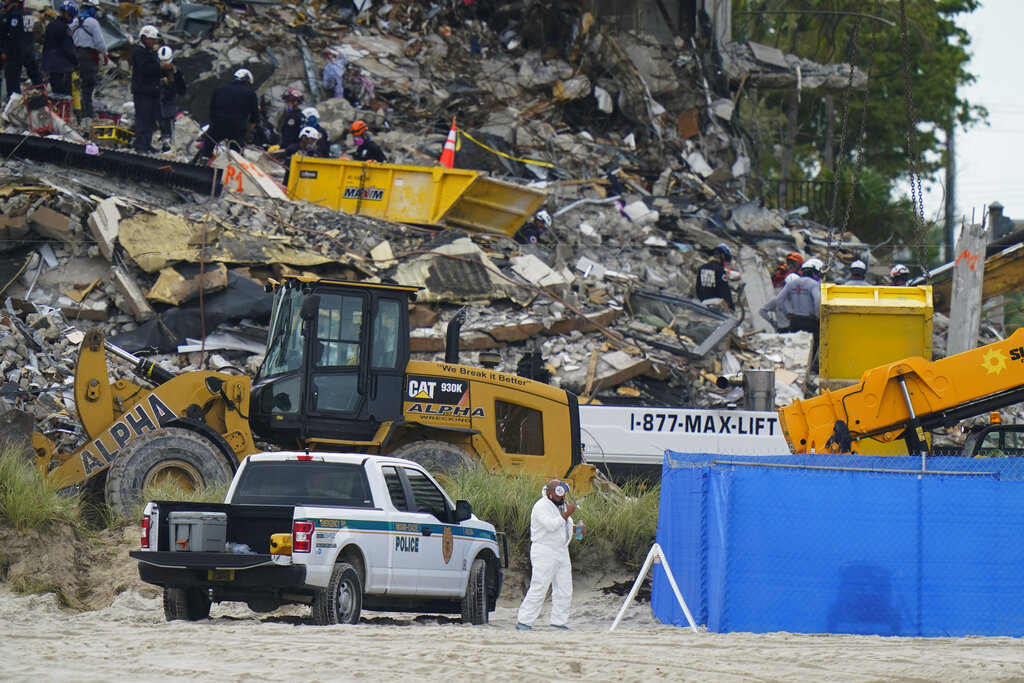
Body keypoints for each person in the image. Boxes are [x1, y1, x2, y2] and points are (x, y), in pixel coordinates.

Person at [516, 479, 582, 631]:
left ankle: (559, 622)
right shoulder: (541, 506)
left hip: (562, 550)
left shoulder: (561, 506)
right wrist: (567, 513)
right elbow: (551, 525)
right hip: (545, 550)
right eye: (559, 494)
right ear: (549, 493)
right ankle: (524, 621)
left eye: (564, 494)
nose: (563, 497)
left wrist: (577, 529)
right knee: (540, 586)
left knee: (564, 589)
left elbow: (564, 526)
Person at [763, 257, 823, 365]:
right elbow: (818, 301)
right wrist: (818, 315)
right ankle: (810, 366)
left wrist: (787, 313)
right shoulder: (813, 284)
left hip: (795, 320)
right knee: (813, 344)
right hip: (810, 320)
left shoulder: (792, 283)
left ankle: (796, 364)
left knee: (796, 345)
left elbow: (780, 299)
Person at [195, 68, 260, 163]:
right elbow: (254, 118)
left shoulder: (219, 90)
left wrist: (214, 123)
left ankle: (203, 162)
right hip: (236, 127)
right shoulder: (250, 94)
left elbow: (212, 111)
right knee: (235, 154)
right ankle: (231, 170)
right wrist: (248, 132)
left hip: (218, 124)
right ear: (246, 80)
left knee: (208, 146)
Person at [70, 0, 106, 121]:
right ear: (91, 9)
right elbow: (100, 43)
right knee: (87, 87)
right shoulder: (93, 23)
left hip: (74, 56)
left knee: (75, 86)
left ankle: (76, 114)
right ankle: (87, 116)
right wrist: (104, 54)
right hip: (88, 57)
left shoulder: (73, 22)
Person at [0, 0, 43, 99]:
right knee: (37, 79)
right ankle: (44, 98)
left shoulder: (13, 15)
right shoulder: (27, 14)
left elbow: (12, 36)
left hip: (15, 53)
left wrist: (6, 52)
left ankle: (13, 105)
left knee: (13, 85)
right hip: (29, 51)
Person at [131, 24, 161, 153]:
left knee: (150, 119)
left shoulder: (149, 52)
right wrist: (161, 67)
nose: (153, 42)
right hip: (142, 90)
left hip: (151, 90)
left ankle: (147, 144)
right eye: (151, 39)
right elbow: (146, 68)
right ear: (143, 38)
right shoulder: (139, 51)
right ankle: (140, 145)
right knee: (142, 118)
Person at [40, 0, 78, 99]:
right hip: (62, 68)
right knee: (64, 97)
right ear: (67, 14)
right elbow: (68, 49)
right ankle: (63, 114)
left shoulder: (51, 25)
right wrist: (76, 61)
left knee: (55, 95)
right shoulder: (64, 29)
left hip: (50, 67)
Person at [155, 45, 186, 151]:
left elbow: (182, 88)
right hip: (155, 99)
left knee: (167, 123)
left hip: (168, 101)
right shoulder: (153, 68)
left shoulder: (177, 71)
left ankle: (167, 144)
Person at [695, 243, 734, 311]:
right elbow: (724, 292)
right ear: (723, 257)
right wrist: (730, 308)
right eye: (726, 260)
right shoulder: (719, 270)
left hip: (703, 305)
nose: (726, 263)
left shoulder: (702, 268)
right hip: (717, 307)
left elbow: (698, 288)